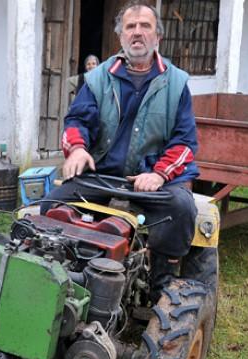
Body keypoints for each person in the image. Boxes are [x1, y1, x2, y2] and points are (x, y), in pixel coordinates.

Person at [44, 0, 199, 288]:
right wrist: (76, 148)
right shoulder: (97, 78)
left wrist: (159, 174)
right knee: (52, 204)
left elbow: (185, 142)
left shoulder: (176, 83)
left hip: (154, 182)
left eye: (145, 26)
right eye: (130, 27)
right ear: (121, 36)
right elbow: (76, 120)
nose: (137, 33)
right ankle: (66, 273)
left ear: (158, 37)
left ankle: (161, 280)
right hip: (103, 175)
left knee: (181, 208)